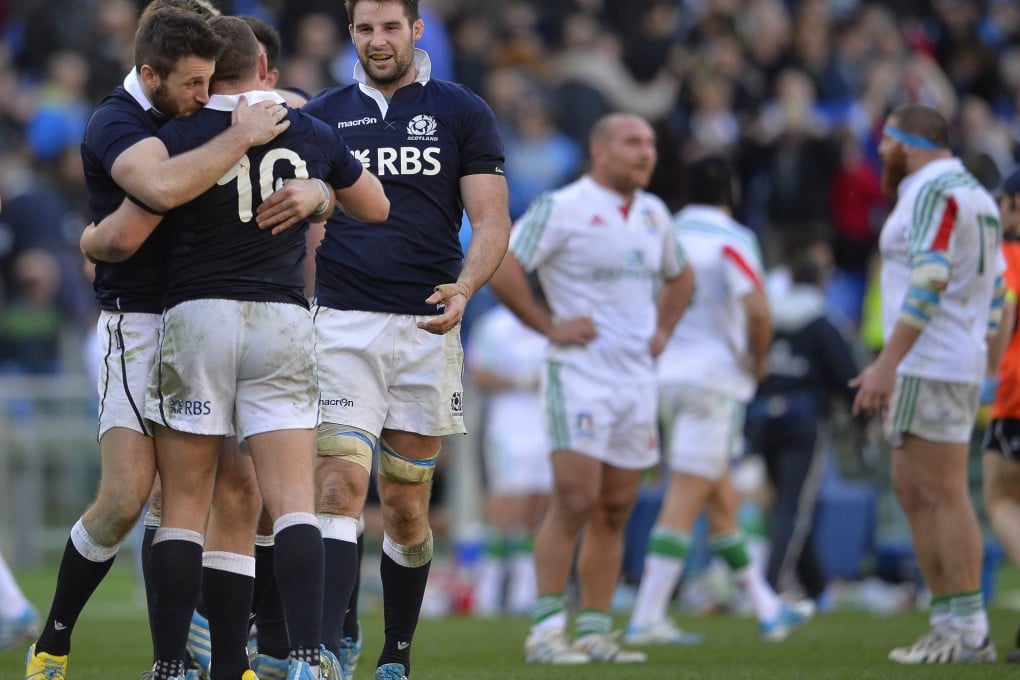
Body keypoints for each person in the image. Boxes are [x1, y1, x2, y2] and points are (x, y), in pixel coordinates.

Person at [84, 16, 388, 680]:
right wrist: (322, 193)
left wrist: (89, 243)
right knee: (291, 499)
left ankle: (171, 666)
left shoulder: (178, 137)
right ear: (261, 67)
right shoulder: (307, 129)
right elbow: (378, 205)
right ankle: (308, 656)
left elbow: (127, 232)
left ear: (206, 70)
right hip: (281, 319)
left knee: (185, 503)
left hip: (198, 319)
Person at [25, 7, 295, 679]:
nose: (205, 97)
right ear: (149, 75)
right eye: (193, 84)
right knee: (127, 495)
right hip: (139, 323)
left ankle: (206, 655)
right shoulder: (120, 121)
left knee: (235, 487)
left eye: (213, 81)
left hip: (209, 321)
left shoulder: (199, 111)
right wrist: (240, 135)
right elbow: (150, 203)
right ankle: (53, 640)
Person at [259, 1, 511, 678]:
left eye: (390, 27)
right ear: (351, 34)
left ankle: (394, 654)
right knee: (338, 484)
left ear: (416, 30)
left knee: (404, 508)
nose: (378, 41)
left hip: (427, 325)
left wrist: (464, 288)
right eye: (365, 29)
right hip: (341, 321)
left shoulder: (463, 111)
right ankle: (322, 654)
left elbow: (491, 221)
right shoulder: (327, 113)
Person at [487, 112, 694, 665]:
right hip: (579, 375)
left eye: (650, 143)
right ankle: (547, 630)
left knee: (617, 507)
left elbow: (681, 275)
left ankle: (598, 630)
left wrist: (665, 330)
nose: (645, 152)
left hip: (636, 380)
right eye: (633, 142)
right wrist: (547, 325)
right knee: (575, 499)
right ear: (600, 151)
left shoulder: (653, 214)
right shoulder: (564, 206)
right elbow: (504, 265)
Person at [624, 155, 813, 647]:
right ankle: (646, 616)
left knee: (720, 499)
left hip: (666, 375)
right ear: (730, 192)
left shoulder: (665, 232)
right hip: (714, 380)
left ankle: (767, 606)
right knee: (685, 497)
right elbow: (757, 308)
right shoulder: (734, 238)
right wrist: (759, 359)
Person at [851, 103, 1003, 664]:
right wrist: (983, 359)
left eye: (884, 143)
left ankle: (967, 630)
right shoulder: (976, 196)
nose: (879, 154)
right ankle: (951, 623)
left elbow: (930, 277)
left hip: (928, 361)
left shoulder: (934, 192)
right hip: (945, 359)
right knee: (919, 495)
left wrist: (888, 363)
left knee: (938, 494)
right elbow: (1001, 293)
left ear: (906, 143)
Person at [746, 247, 859, 605]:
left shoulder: (772, 316)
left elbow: (754, 363)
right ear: (821, 281)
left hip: (765, 421)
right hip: (804, 422)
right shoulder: (824, 321)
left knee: (787, 505)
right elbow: (846, 376)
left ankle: (816, 586)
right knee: (793, 507)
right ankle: (770, 586)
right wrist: (862, 418)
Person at [466, 301, 551, 617]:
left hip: (543, 427)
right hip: (506, 427)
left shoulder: (549, 321)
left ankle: (523, 592)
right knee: (504, 507)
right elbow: (479, 372)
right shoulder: (494, 324)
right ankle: (487, 592)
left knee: (535, 510)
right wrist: (521, 381)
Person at [982, 168, 1020, 663]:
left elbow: (1002, 314)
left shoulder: (1006, 257)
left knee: (1001, 498)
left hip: (1015, 395)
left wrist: (987, 366)